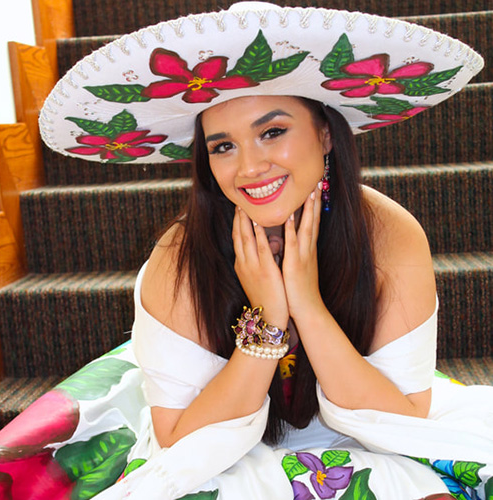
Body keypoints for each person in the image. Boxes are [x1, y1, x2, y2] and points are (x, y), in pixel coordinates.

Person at [32, 1, 493, 499]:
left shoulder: (388, 232)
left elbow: (403, 419)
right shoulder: (179, 254)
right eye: (223, 146)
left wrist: (307, 305)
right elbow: (181, 439)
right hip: (222, 450)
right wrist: (268, 318)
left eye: (272, 132)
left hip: (371, 440)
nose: (249, 168)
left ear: (324, 134)